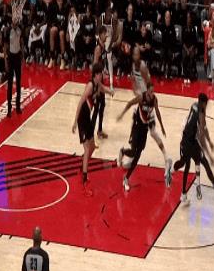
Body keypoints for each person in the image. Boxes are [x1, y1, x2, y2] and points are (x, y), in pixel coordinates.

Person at [173, 93, 214, 206]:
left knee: (186, 166)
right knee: (205, 163)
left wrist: (210, 141)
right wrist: (210, 155)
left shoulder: (194, 105)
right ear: (204, 103)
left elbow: (204, 128)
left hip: (184, 140)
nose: (207, 106)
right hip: (191, 143)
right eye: (206, 104)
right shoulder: (201, 113)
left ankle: (183, 194)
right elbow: (202, 136)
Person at [117, 83, 170, 191]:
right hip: (136, 127)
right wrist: (121, 114)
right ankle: (122, 151)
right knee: (133, 152)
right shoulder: (141, 97)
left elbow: (157, 112)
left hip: (144, 130)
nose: (152, 93)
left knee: (137, 157)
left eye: (153, 91)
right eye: (150, 91)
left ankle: (126, 179)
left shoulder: (154, 99)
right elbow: (130, 103)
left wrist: (162, 126)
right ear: (147, 91)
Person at [131, 48, 172, 183]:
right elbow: (134, 83)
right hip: (142, 103)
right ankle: (132, 154)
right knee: (135, 125)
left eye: (137, 54)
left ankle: (166, 158)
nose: (135, 56)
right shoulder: (133, 66)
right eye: (134, 54)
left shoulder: (142, 67)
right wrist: (136, 92)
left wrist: (147, 94)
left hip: (147, 104)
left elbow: (148, 82)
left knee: (153, 133)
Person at [72, 63, 113, 196]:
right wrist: (75, 121)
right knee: (86, 149)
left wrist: (111, 92)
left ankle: (82, 167)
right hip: (82, 120)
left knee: (93, 147)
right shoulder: (90, 85)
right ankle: (84, 180)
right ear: (96, 74)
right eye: (101, 74)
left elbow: (104, 89)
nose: (102, 76)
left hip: (88, 119)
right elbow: (80, 102)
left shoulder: (97, 84)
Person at [92, 27, 110, 140]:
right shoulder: (98, 48)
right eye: (105, 34)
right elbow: (94, 66)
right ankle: (91, 134)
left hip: (100, 79)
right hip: (97, 81)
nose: (106, 36)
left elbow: (101, 63)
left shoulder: (103, 47)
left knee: (102, 106)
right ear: (100, 35)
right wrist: (97, 83)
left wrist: (104, 71)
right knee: (96, 108)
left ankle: (99, 131)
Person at [7, 17, 23, 118]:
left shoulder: (20, 29)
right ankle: (9, 108)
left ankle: (18, 106)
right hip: (11, 57)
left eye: (16, 21)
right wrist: (5, 61)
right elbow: (5, 45)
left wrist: (23, 56)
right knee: (9, 84)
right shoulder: (8, 30)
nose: (15, 23)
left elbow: (22, 42)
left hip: (17, 56)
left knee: (18, 82)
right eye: (14, 21)